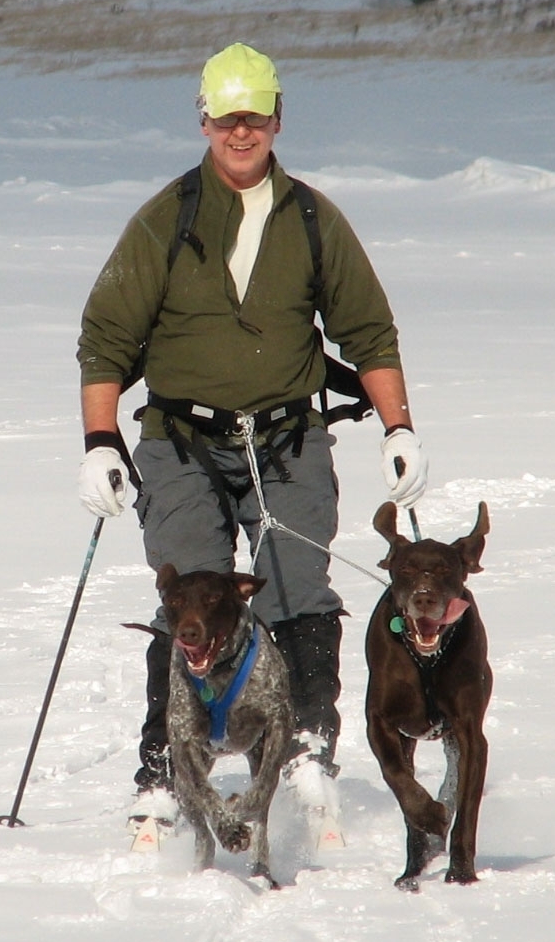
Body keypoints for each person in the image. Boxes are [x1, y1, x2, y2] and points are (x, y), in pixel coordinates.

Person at [77, 42, 427, 834]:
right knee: (191, 597)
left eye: (257, 116)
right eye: (228, 117)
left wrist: (398, 427)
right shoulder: (166, 219)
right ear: (204, 121)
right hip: (182, 441)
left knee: (299, 594)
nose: (242, 132)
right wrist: (102, 439)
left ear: (278, 118)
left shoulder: (310, 217)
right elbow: (105, 339)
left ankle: (305, 750)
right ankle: (166, 771)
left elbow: (369, 331)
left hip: (287, 440)